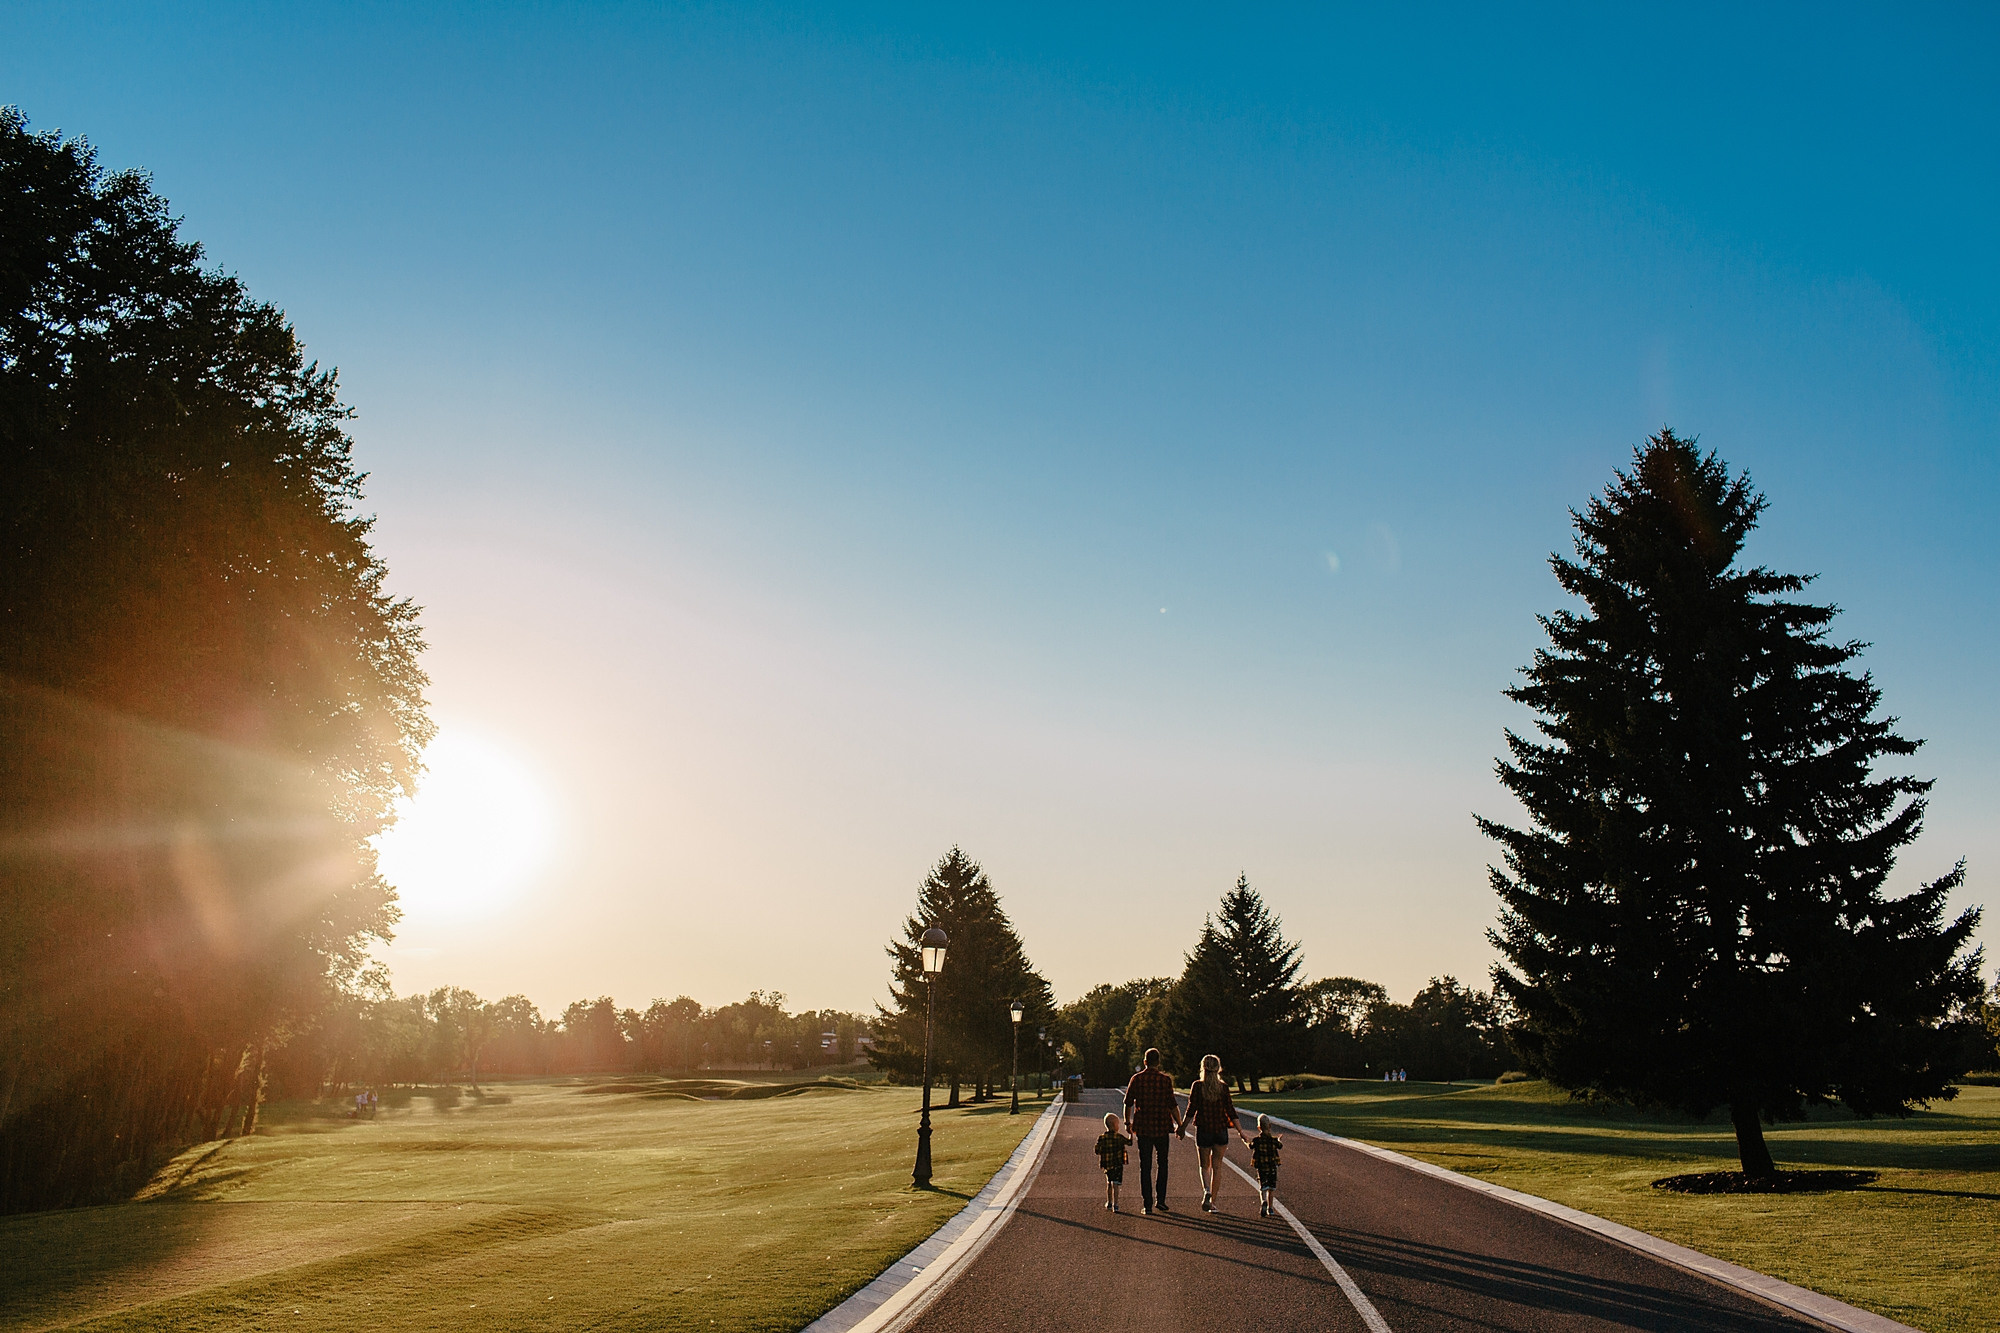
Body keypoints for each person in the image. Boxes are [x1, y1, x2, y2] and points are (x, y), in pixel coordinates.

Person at [1122, 1047, 1183, 1216]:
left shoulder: (1137, 1079)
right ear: (1159, 1062)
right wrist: (1180, 1125)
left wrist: (1127, 1122)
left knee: (1145, 1166)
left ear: (1145, 1062)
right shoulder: (1165, 1080)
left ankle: (1147, 1204)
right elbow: (1172, 1105)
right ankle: (1161, 1200)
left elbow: (1127, 1103)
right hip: (1162, 1126)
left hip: (1143, 1127)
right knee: (1163, 1163)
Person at [1179, 1053, 1238, 1213]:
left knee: (1204, 1166)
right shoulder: (1223, 1088)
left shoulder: (1197, 1086)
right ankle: (1213, 1203)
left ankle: (1206, 1190)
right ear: (1218, 1068)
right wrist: (1241, 1131)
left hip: (1204, 1129)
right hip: (1220, 1130)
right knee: (1217, 1166)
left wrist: (1182, 1127)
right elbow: (1230, 1111)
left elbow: (1191, 1109)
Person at [1096, 1112, 1135, 1213]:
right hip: (1118, 1164)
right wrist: (1131, 1133)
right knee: (1116, 1184)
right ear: (1115, 1125)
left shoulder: (1102, 1138)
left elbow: (1097, 1150)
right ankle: (1116, 1204)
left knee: (1109, 1182)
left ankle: (1109, 1202)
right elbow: (1129, 1143)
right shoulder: (1119, 1137)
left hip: (1107, 1165)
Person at [1247, 1113, 1283, 1217]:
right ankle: (1270, 1208)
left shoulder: (1256, 1140)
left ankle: (1263, 1201)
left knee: (1262, 1185)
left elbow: (1250, 1146)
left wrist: (1246, 1140)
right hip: (1272, 1166)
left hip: (1261, 1166)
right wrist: (1279, 1139)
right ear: (1270, 1126)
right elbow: (1280, 1146)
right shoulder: (1273, 1140)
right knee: (1271, 1188)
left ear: (1259, 1128)